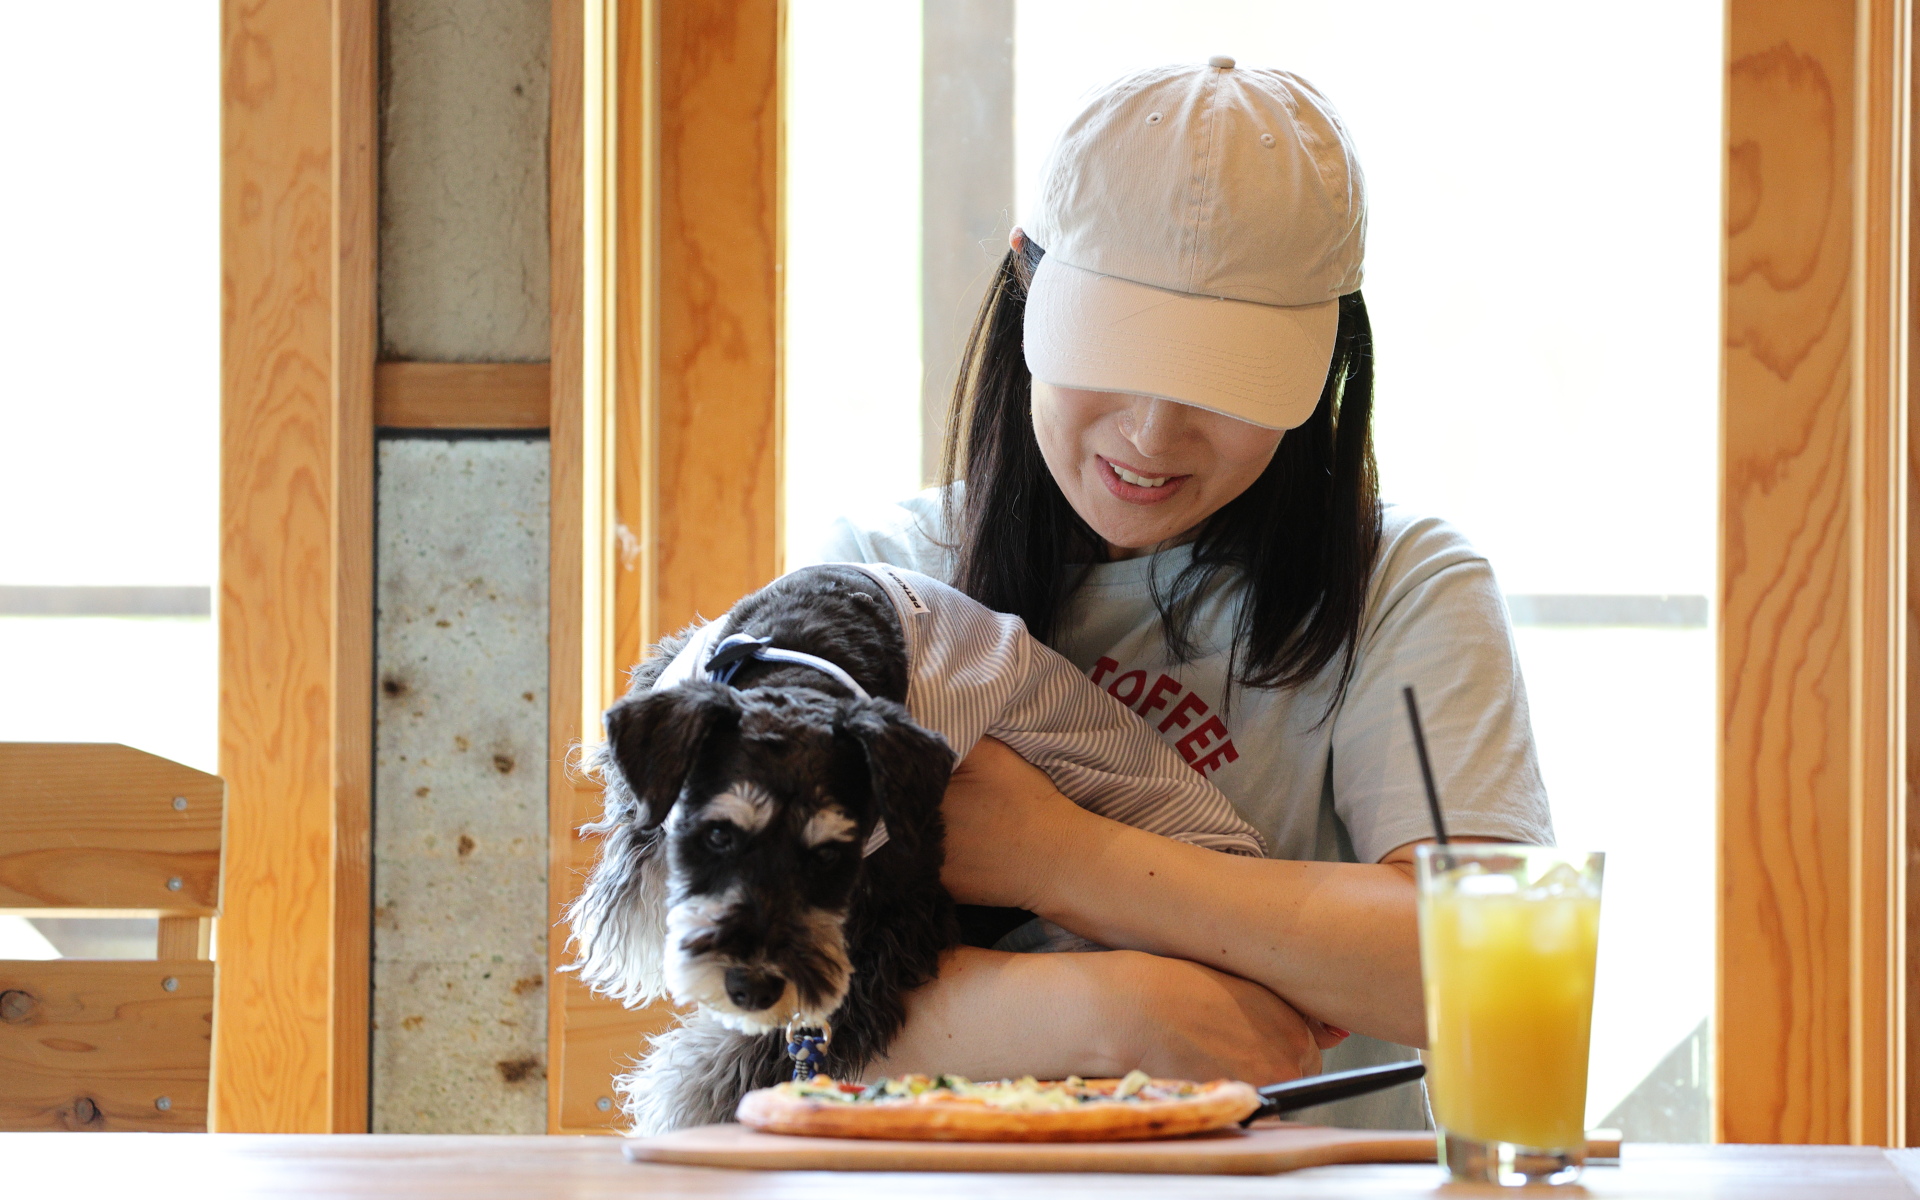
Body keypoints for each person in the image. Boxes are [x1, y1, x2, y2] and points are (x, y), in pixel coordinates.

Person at [811, 58, 1553, 1127]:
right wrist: (1120, 1008)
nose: (1153, 436)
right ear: (1026, 280)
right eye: (1113, 352)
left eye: (1223, 379)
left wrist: (1057, 853)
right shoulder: (886, 576)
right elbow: (764, 998)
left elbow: (1481, 969)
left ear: (1331, 350)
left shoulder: (1403, 583)